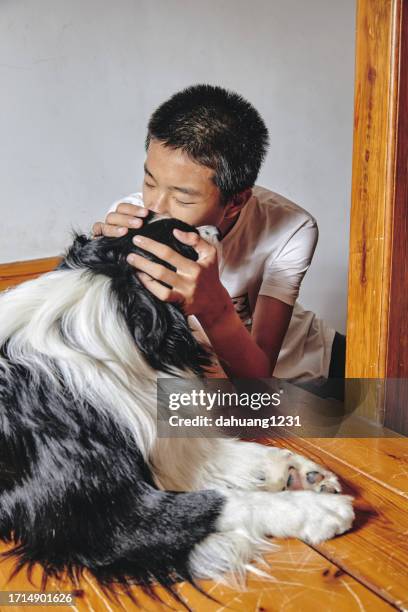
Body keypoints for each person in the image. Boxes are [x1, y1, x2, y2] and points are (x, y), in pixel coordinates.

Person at [92, 84, 346, 398]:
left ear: (236, 202)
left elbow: (257, 378)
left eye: (182, 199)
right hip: (218, 390)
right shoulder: (129, 217)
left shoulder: (292, 227)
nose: (155, 207)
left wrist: (213, 306)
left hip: (310, 370)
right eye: (149, 181)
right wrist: (100, 264)